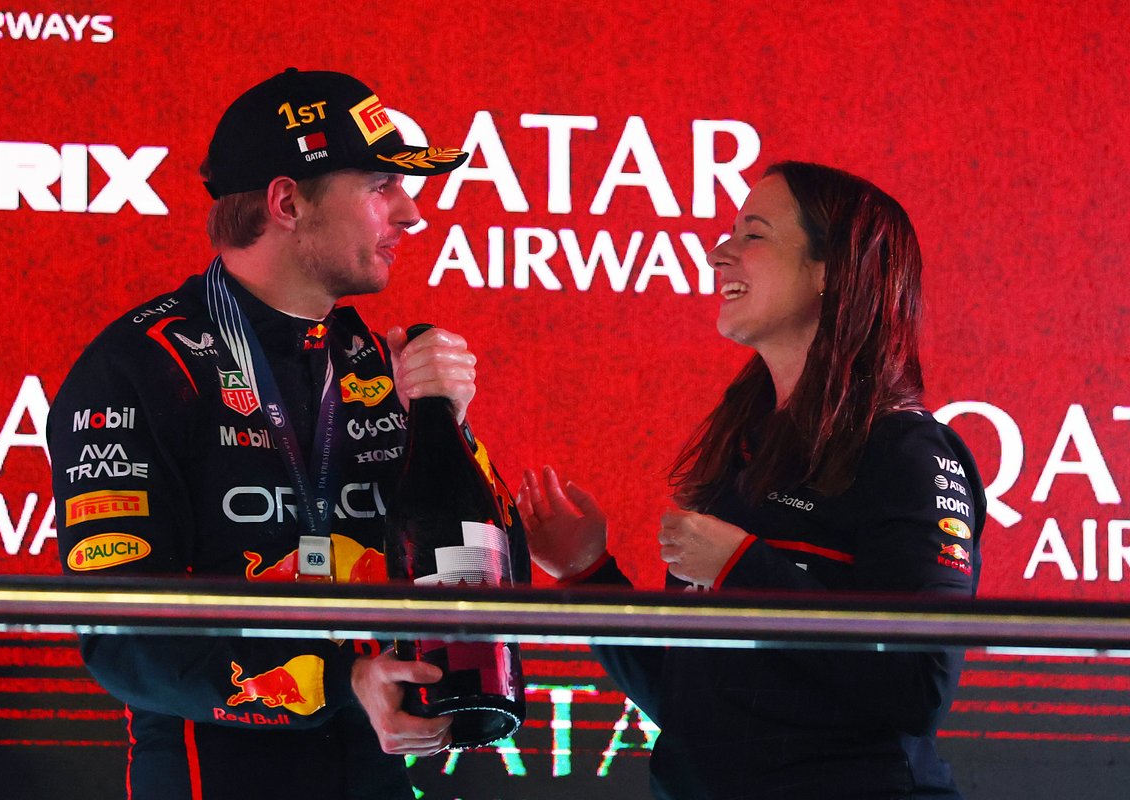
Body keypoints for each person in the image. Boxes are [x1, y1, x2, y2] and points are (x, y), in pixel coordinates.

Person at [48, 68, 527, 799]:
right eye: (381, 186)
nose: (411, 215)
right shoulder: (139, 367)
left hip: (379, 770)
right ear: (287, 202)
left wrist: (447, 431)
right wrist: (343, 681)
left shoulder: (379, 363)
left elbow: (497, 585)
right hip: (217, 774)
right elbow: (122, 636)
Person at [519, 162, 984, 800]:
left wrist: (744, 570)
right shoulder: (745, 445)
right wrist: (588, 575)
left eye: (753, 235)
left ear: (831, 270)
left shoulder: (906, 450)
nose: (719, 254)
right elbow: (692, 707)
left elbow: (919, 688)